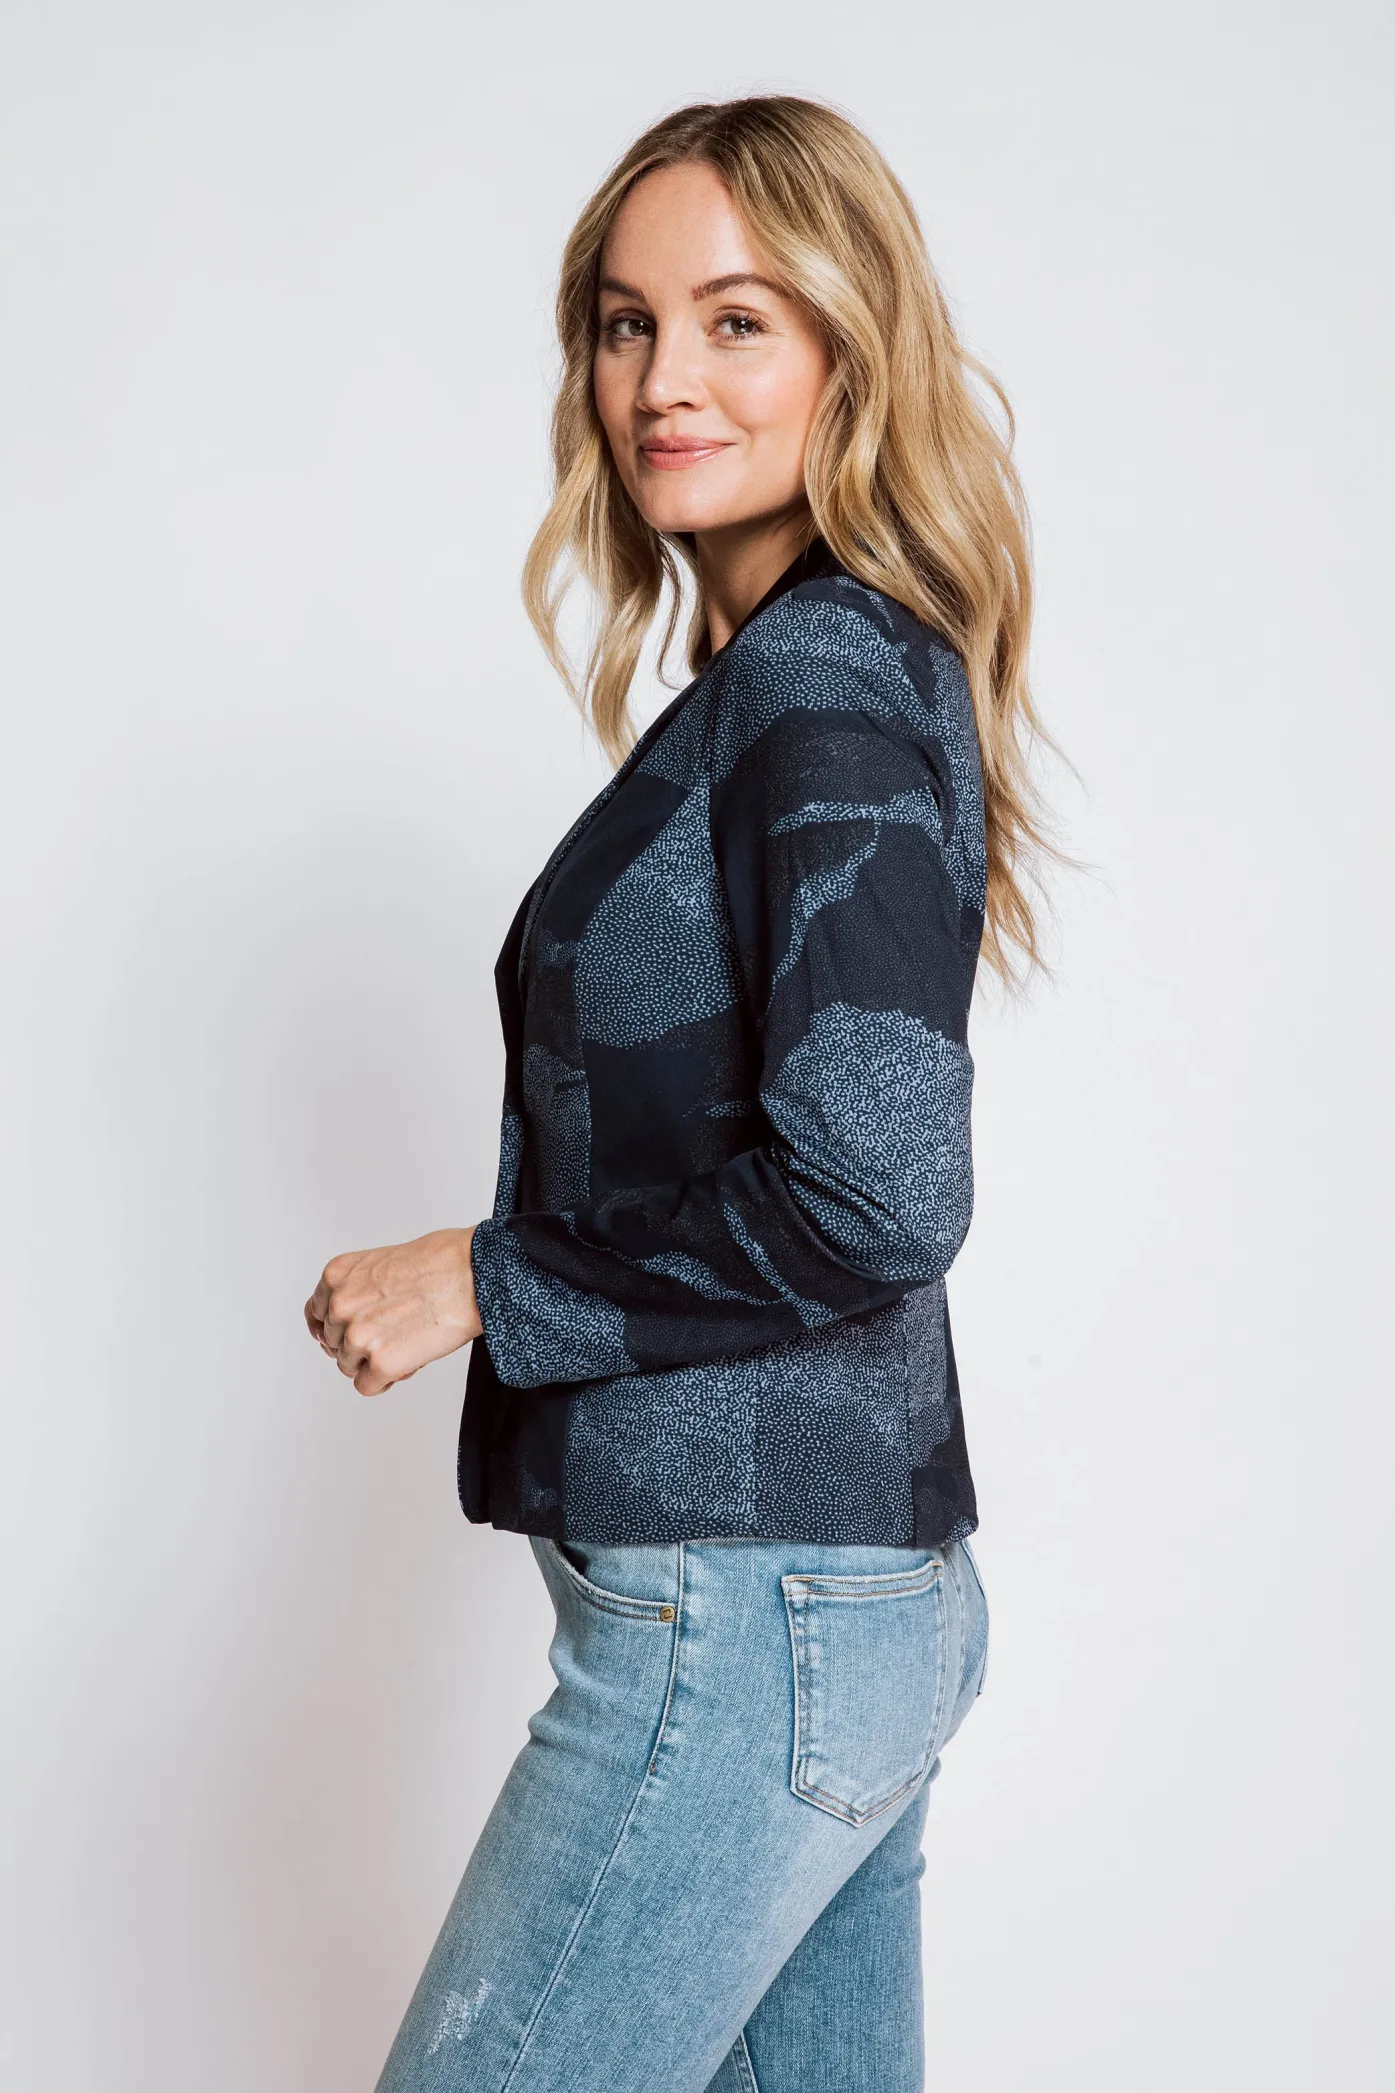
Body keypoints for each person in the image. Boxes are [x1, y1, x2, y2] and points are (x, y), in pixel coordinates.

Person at [306, 93, 1048, 2093]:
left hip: (749, 1622)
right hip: (819, 1600)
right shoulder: (795, 678)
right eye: (626, 325)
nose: (663, 382)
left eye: (735, 321)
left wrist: (485, 1278)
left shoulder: (819, 686)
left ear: (846, 349)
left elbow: (882, 1192)